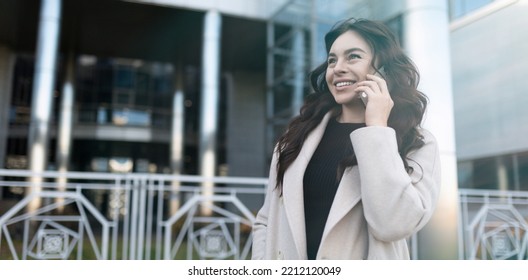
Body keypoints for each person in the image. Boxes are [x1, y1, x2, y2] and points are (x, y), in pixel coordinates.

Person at [251, 18, 441, 260]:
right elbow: (267, 220)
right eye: (332, 60)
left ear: (385, 69)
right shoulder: (296, 138)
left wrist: (377, 129)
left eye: (353, 57)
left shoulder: (417, 143)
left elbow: (393, 224)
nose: (337, 68)